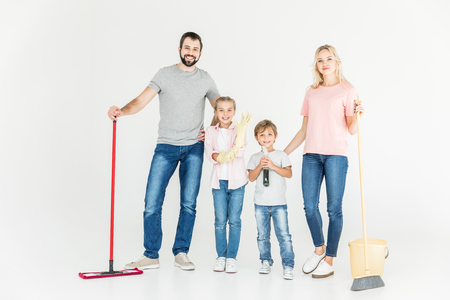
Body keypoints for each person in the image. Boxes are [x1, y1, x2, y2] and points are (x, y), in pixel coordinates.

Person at [107, 32, 220, 271]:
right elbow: (140, 101)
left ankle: (181, 253)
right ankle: (150, 255)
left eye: (195, 49)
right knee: (152, 202)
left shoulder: (205, 79)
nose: (191, 52)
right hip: (166, 146)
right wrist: (122, 111)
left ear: (200, 53)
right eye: (187, 47)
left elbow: (221, 108)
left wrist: (210, 130)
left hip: (194, 148)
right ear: (179, 49)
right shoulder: (164, 75)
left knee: (188, 203)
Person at [284, 44, 365, 278]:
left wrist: (358, 115)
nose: (324, 63)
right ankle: (319, 249)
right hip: (311, 156)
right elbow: (304, 130)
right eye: (320, 60)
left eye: (328, 59)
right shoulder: (311, 92)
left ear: (336, 61)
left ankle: (329, 259)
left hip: (336, 156)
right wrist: (283, 153)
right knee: (310, 207)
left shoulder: (348, 90)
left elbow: (351, 129)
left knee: (333, 210)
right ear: (316, 65)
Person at [204, 97, 252, 273]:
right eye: (221, 110)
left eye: (229, 110)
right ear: (216, 112)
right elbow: (209, 151)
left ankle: (231, 257)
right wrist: (220, 157)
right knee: (219, 222)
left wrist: (236, 143)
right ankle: (221, 256)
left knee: (234, 221)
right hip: (218, 183)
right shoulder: (210, 130)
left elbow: (240, 151)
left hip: (237, 181)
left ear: (234, 112)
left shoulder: (238, 129)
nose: (225, 114)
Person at [247, 120, 295, 280]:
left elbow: (289, 174)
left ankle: (288, 265)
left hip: (279, 203)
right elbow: (251, 177)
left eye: (269, 134)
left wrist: (273, 166)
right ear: (256, 138)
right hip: (260, 204)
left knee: (284, 235)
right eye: (262, 135)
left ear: (275, 137)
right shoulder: (255, 157)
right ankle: (265, 261)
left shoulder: (282, 155)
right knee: (262, 235)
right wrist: (260, 166)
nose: (266, 138)